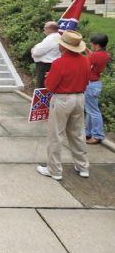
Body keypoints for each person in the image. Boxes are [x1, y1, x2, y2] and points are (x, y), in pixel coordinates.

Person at [37, 30, 90, 180]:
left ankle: (54, 170)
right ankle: (83, 166)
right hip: (80, 97)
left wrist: (49, 77)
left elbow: (50, 86)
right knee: (78, 133)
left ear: (64, 47)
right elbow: (86, 80)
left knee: (56, 134)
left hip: (62, 99)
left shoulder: (59, 63)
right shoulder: (85, 60)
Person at [85, 34, 111, 145]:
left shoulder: (94, 56)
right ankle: (89, 132)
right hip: (96, 84)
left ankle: (97, 135)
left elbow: (85, 66)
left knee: (93, 112)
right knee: (90, 110)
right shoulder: (105, 55)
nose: (91, 45)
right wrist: (86, 49)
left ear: (97, 45)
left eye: (92, 43)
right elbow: (94, 56)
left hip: (90, 85)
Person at [31, 21, 61, 88]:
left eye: (45, 28)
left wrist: (34, 49)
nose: (44, 29)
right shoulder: (56, 37)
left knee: (42, 88)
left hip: (45, 67)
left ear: (51, 29)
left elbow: (36, 52)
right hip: (50, 65)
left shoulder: (51, 38)